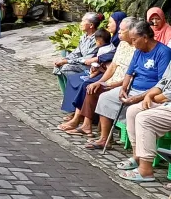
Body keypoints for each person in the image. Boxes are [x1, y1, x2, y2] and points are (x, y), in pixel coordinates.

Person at [89, 20, 171, 150]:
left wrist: (139, 97)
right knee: (105, 97)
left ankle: (139, 150)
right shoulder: (138, 50)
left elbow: (162, 83)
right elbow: (129, 72)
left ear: (144, 38)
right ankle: (105, 139)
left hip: (149, 92)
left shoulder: (163, 52)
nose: (132, 43)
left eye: (134, 40)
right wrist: (123, 88)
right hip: (132, 89)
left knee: (135, 109)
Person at [62, 17, 137, 139]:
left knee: (99, 92)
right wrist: (100, 81)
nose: (118, 32)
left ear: (131, 31)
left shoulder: (137, 48)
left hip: (123, 84)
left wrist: (111, 85)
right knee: (91, 87)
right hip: (111, 79)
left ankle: (101, 135)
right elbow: (112, 67)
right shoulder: (122, 44)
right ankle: (86, 125)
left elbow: (132, 75)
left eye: (121, 30)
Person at [118, 69, 171, 182]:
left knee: (144, 118)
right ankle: (137, 156)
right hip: (164, 102)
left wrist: (154, 98)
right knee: (132, 111)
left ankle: (145, 170)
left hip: (166, 102)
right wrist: (150, 95)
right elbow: (163, 82)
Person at [52, 13, 101, 90]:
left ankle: (75, 91)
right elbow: (76, 52)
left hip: (89, 66)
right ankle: (65, 94)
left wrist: (66, 62)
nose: (80, 24)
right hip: (80, 63)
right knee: (58, 66)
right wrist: (63, 59)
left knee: (65, 67)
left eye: (83, 21)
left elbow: (87, 59)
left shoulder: (97, 39)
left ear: (91, 25)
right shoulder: (84, 37)